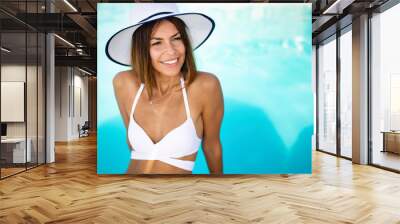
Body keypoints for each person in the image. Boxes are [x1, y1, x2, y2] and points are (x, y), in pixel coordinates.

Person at [106, 4, 224, 174]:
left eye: (176, 38)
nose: (171, 51)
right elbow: (132, 145)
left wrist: (221, 188)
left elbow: (212, 146)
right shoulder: (123, 82)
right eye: (157, 43)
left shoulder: (205, 85)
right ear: (142, 50)